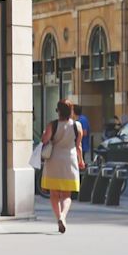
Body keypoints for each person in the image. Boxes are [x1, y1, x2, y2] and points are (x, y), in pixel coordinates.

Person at [41, 98, 84, 234]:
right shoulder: (77, 126)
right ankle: (63, 217)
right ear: (71, 111)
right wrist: (81, 160)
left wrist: (45, 134)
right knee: (66, 195)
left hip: (54, 160)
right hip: (69, 161)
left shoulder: (52, 125)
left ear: (58, 111)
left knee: (54, 194)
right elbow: (78, 146)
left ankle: (58, 217)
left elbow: (44, 140)